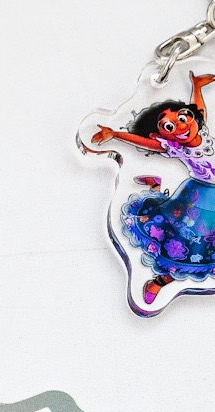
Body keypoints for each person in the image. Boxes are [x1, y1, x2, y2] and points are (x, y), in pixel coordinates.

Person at [92, 73, 215, 308]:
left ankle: (155, 185)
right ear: (161, 135)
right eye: (169, 126)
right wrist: (115, 134)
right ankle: (160, 281)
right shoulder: (177, 148)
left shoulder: (202, 133)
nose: (181, 125)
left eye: (182, 117)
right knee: (190, 244)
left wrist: (197, 87)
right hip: (201, 198)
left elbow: (198, 109)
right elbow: (145, 143)